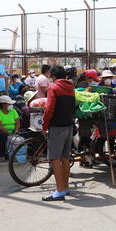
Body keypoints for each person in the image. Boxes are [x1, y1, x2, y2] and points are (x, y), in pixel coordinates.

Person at [41, 66, 76, 202]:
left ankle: (60, 190)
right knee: (65, 158)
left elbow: (49, 109)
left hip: (57, 126)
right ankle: (65, 187)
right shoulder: (71, 87)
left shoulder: (53, 88)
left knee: (55, 158)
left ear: (53, 76)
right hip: (69, 125)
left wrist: (44, 126)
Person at [0, 95, 20, 162]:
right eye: (8, 104)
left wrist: (16, 130)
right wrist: (9, 133)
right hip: (2, 131)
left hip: (13, 130)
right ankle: (1, 155)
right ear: (3, 105)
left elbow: (18, 122)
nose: (10, 105)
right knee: (2, 135)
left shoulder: (13, 111)